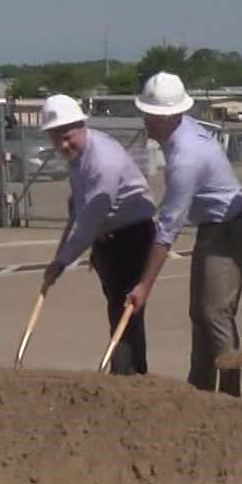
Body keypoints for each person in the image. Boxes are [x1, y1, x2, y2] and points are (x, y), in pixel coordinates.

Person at [125, 72, 242, 395]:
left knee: (215, 314)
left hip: (230, 232)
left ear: (170, 115)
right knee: (200, 312)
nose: (146, 120)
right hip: (214, 229)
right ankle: (198, 390)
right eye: (145, 112)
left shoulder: (186, 157)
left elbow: (168, 228)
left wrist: (144, 286)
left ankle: (229, 396)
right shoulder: (179, 135)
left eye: (152, 115)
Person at [40, 94, 156, 375]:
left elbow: (88, 227)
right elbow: (85, 197)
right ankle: (133, 374)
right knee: (117, 305)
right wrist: (77, 202)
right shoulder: (80, 152)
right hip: (108, 235)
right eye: (56, 138)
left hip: (131, 236)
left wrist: (60, 262)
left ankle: (125, 376)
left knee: (124, 308)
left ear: (82, 125)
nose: (63, 143)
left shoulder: (104, 161)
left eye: (67, 136)